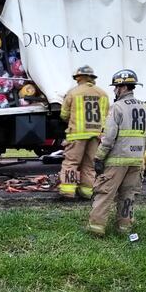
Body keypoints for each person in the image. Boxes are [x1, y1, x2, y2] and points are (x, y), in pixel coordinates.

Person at [87, 69, 146, 237]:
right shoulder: (144, 107)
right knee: (128, 195)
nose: (115, 90)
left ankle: (96, 229)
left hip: (116, 160)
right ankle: (124, 229)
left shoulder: (117, 107)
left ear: (122, 87)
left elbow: (108, 137)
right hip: (137, 161)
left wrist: (99, 156)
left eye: (116, 87)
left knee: (104, 193)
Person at [58, 65, 109, 199]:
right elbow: (106, 115)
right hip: (96, 135)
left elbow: (64, 114)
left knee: (71, 163)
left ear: (79, 78)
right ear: (92, 78)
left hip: (77, 135)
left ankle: (68, 191)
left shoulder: (73, 93)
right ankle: (87, 192)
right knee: (89, 165)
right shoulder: (103, 94)